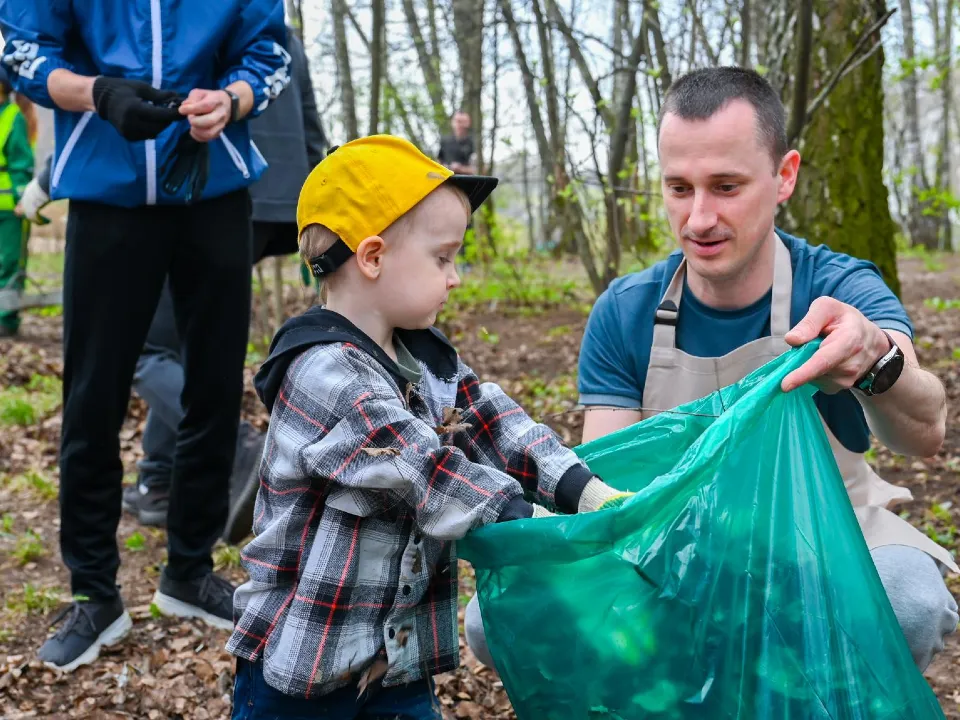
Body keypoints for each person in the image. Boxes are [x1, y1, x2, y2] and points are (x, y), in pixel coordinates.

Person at [225, 135, 630, 716]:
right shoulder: (322, 371)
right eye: (443, 258)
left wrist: (586, 492)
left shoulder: (423, 360)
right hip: (300, 671)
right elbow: (423, 470)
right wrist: (537, 525)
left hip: (394, 666)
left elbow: (496, 424)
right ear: (372, 257)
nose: (455, 276)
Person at [574, 67, 958, 672]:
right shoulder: (625, 311)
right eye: (679, 188)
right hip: (673, 544)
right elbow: (608, 483)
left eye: (726, 186)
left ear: (785, 177)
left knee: (907, 600)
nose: (699, 218)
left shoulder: (839, 285)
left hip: (826, 538)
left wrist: (873, 357)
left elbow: (926, 431)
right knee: (495, 620)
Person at [0, 0, 291, 672]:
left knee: (214, 389)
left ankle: (189, 572)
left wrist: (230, 101)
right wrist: (98, 93)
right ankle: (94, 594)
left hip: (214, 190)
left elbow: (269, 53)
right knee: (92, 396)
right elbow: (23, 48)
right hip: (107, 196)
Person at [122, 28, 328, 544]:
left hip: (210, 189)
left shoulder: (202, 20)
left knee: (143, 348)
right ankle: (159, 479)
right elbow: (309, 122)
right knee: (179, 343)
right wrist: (315, 208)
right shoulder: (281, 34)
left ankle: (237, 447)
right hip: (277, 203)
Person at [0, 66, 34, 338]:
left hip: (9, 209)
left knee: (9, 262)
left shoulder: (13, 117)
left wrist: (23, 199)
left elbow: (22, 164)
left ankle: (6, 319)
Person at [437, 110, 477, 176]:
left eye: (463, 122)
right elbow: (438, 163)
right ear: (452, 122)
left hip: (467, 180)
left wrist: (460, 169)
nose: (460, 125)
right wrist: (447, 167)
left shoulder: (473, 143)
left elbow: (476, 169)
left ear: (468, 123)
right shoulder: (445, 141)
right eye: (458, 121)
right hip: (447, 179)